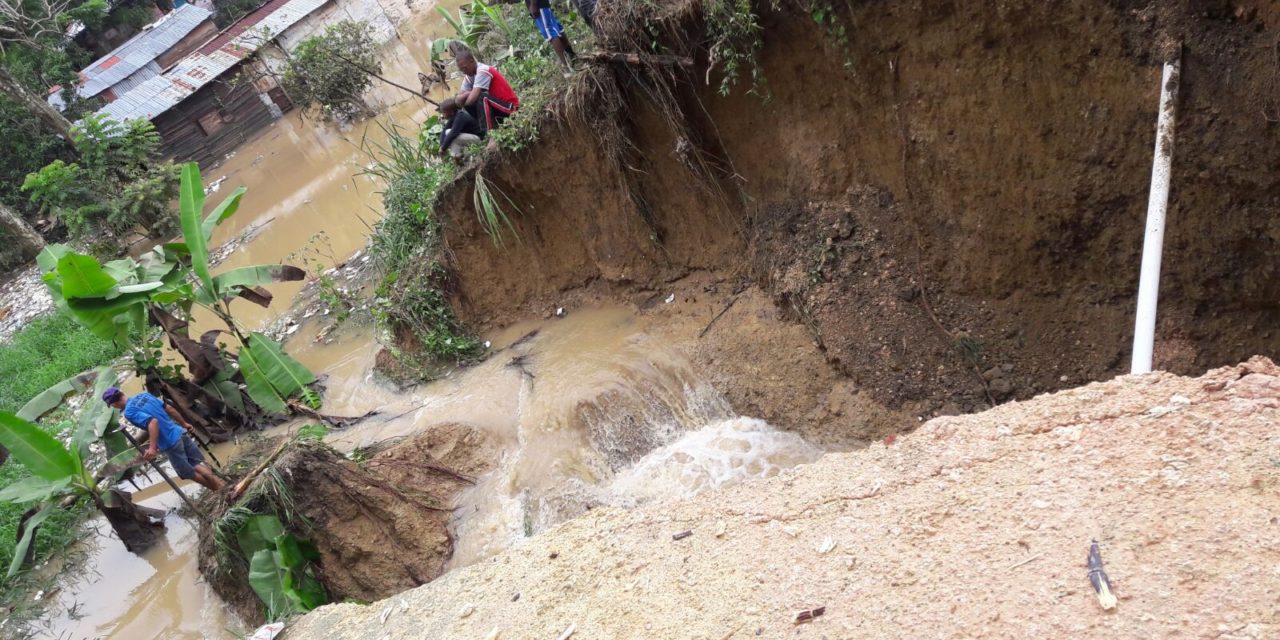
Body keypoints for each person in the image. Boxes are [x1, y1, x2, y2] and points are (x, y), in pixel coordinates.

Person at [102, 387, 226, 491]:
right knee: (195, 463)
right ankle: (222, 485)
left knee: (187, 473)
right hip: (179, 432)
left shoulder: (129, 412)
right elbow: (169, 409)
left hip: (170, 443)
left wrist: (152, 448)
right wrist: (184, 424)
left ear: (113, 404)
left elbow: (153, 422)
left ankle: (219, 489)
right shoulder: (144, 395)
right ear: (122, 393)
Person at [455, 49, 520, 131]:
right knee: (474, 100)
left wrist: (466, 97)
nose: (464, 72)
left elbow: (471, 100)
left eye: (465, 68)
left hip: (510, 108)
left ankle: (490, 132)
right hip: (498, 110)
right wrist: (466, 94)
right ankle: (486, 129)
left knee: (482, 97)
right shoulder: (469, 77)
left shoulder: (483, 70)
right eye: (461, 70)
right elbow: (458, 101)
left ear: (471, 61)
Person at [526, 0, 576, 70]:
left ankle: (566, 66)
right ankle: (572, 56)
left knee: (550, 32)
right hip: (542, 5)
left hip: (538, 6)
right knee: (555, 27)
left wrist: (533, 4)